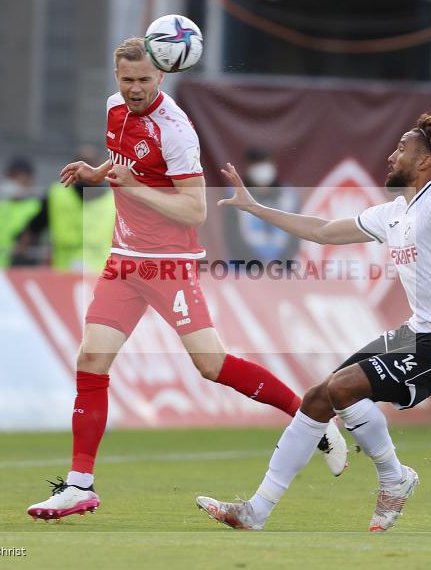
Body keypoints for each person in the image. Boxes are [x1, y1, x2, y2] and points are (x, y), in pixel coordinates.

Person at [26, 38, 347, 521]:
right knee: (91, 359)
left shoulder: (176, 131)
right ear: (116, 77)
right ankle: (79, 486)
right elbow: (126, 164)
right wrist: (100, 174)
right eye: (126, 79)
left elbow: (195, 208)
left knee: (211, 365)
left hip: (168, 263)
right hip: (123, 259)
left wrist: (136, 187)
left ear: (162, 77)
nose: (134, 89)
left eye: (144, 81)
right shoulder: (115, 108)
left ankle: (315, 421)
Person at [196, 111, 431, 532]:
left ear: (425, 161)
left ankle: (394, 478)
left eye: (402, 149)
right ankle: (257, 511)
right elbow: (322, 230)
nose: (392, 156)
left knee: (340, 388)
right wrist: (254, 208)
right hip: (418, 332)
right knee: (320, 396)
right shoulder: (395, 212)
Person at [15, 145, 117, 272]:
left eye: (91, 165)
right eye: (83, 164)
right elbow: (34, 227)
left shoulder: (115, 199)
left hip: (100, 275)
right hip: (63, 274)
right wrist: (18, 258)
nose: (87, 170)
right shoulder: (56, 195)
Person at [223, 147, 300, 264]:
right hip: (243, 269)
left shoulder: (289, 196)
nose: (262, 170)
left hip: (282, 270)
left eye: (266, 163)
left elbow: (296, 236)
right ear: (248, 167)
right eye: (257, 164)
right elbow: (233, 238)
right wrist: (257, 265)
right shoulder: (234, 195)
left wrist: (279, 264)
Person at [0, 157, 41, 267]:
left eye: (16, 177)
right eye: (10, 177)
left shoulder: (36, 209)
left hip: (21, 271)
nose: (11, 182)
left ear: (29, 180)